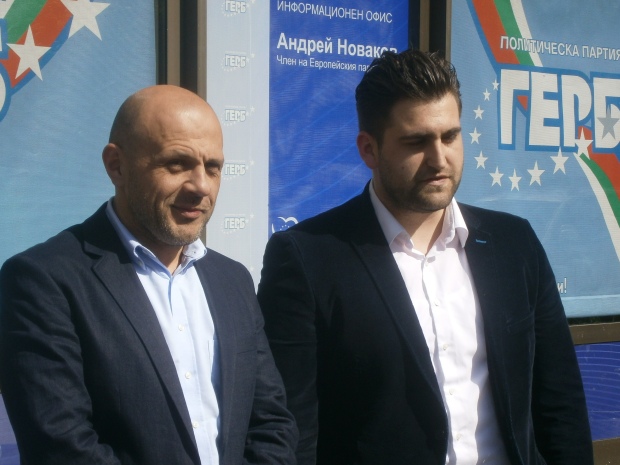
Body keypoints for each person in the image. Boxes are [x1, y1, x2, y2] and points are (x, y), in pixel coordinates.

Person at [257, 50, 593, 465]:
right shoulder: (308, 258)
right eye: (417, 142)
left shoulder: (513, 243)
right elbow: (292, 428)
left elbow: (559, 401)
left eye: (450, 137)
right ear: (369, 149)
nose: (439, 159)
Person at [0, 85, 298, 465]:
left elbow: (272, 424)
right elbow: (62, 448)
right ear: (116, 165)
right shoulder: (43, 281)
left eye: (213, 167)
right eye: (177, 164)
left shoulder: (232, 280)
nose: (201, 186)